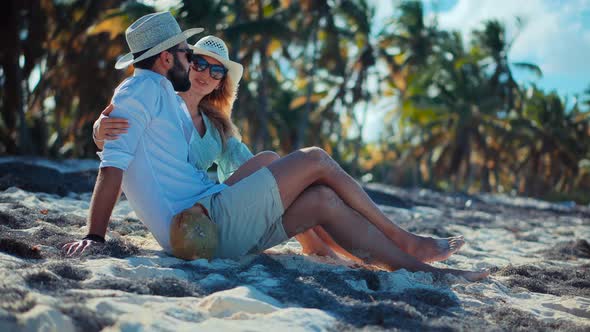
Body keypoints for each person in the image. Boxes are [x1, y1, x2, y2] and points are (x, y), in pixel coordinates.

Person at [65, 14, 488, 281]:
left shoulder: (162, 98)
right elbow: (111, 169)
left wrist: (99, 127)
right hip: (198, 229)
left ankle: (416, 268)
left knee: (320, 198)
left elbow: (124, 139)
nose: (190, 59)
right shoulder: (139, 93)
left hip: (210, 217)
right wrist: (94, 235)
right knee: (316, 159)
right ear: (164, 59)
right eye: (184, 53)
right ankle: (405, 239)